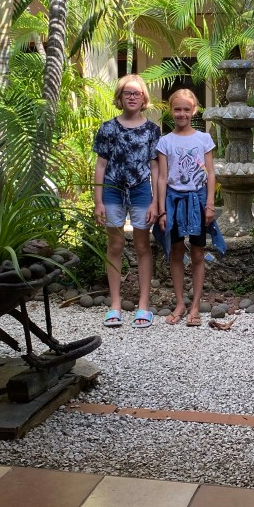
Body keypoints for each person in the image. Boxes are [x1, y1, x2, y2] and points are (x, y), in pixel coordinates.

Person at [92, 74, 161, 329]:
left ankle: (144, 304)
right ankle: (115, 304)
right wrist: (98, 201)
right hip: (112, 190)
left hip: (141, 190)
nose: (132, 97)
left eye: (137, 93)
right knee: (115, 245)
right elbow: (101, 165)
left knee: (143, 245)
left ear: (144, 98)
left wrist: (156, 202)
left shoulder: (152, 130)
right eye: (127, 93)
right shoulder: (107, 128)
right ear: (120, 97)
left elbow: (155, 168)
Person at [155, 88, 222, 326]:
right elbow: (162, 177)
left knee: (197, 252)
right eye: (177, 109)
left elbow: (210, 173)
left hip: (197, 201)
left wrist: (210, 204)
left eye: (186, 109)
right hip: (173, 201)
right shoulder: (165, 141)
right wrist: (162, 210)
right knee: (175, 251)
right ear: (171, 111)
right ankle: (180, 303)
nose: (181, 114)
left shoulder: (203, 139)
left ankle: (195, 306)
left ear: (194, 111)